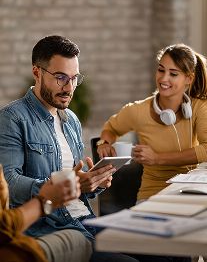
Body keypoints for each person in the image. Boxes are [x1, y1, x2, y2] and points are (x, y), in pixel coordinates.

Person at [0, 35, 141, 262]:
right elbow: (8, 182)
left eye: (74, 78)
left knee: (165, 250)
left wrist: (93, 182)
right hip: (51, 226)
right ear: (37, 72)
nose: (69, 87)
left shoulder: (72, 120)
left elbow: (77, 182)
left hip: (86, 220)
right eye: (60, 78)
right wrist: (63, 186)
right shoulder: (12, 118)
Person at [97, 43, 207, 262]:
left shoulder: (198, 108)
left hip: (187, 196)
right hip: (151, 198)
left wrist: (158, 158)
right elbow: (110, 128)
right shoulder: (137, 111)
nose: (164, 78)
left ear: (189, 78)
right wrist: (104, 142)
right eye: (161, 69)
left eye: (173, 73)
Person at [0, 163, 92, 262]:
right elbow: (11, 182)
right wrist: (43, 201)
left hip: (83, 216)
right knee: (80, 241)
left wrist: (93, 182)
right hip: (12, 249)